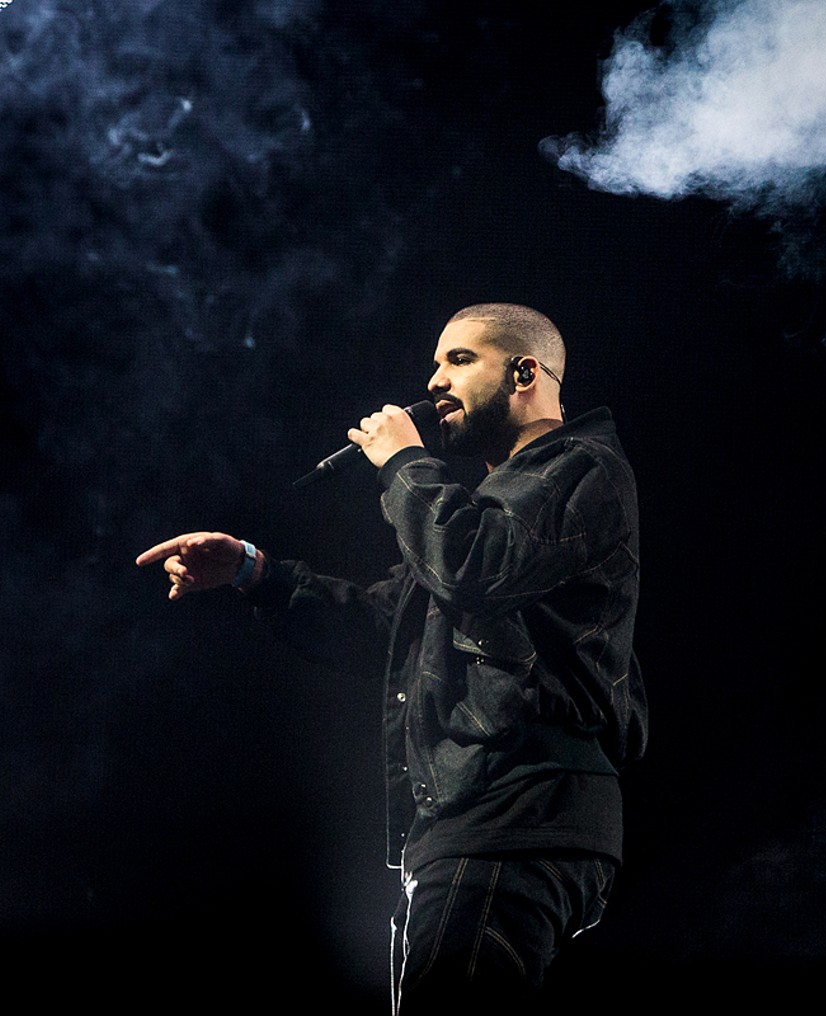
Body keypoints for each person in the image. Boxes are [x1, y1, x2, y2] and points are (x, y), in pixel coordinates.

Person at [137, 303, 647, 1010]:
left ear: (526, 372)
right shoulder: (489, 506)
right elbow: (384, 626)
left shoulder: (580, 467)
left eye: (459, 360)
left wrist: (404, 462)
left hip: (516, 813)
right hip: (469, 820)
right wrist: (257, 572)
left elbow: (471, 563)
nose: (434, 380)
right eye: (436, 362)